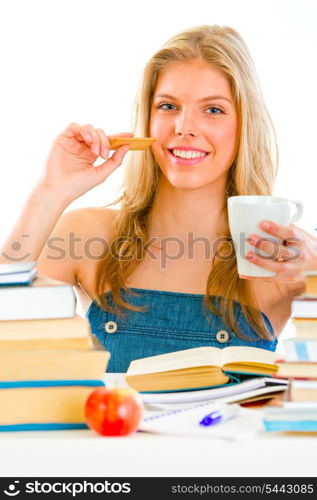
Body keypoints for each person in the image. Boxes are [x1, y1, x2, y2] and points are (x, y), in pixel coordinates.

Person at [1, 25, 317, 372]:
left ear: (244, 125)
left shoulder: (280, 259)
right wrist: (51, 192)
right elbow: (8, 330)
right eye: (168, 106)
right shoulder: (89, 234)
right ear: (147, 120)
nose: (184, 126)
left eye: (213, 110)